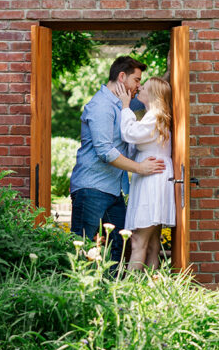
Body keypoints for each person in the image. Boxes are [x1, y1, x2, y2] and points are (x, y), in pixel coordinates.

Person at [69, 56, 166, 263]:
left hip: (113, 190)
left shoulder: (122, 106)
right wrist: (140, 168)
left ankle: (112, 292)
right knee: (82, 246)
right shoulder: (101, 106)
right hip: (91, 188)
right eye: (137, 80)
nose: (138, 86)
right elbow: (105, 151)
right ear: (122, 77)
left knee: (119, 249)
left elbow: (127, 143)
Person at [110, 76, 174, 271]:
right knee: (152, 244)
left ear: (152, 94)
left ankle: (129, 292)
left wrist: (125, 106)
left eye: (144, 88)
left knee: (138, 240)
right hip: (151, 178)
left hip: (151, 180)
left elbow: (130, 133)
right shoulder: (155, 117)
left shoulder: (155, 116)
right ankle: (149, 291)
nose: (140, 90)